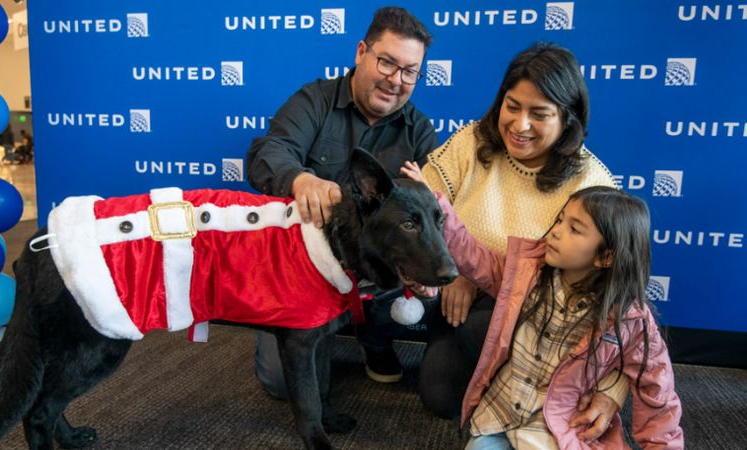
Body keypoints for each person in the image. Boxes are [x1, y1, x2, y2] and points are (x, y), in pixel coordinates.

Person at [417, 42, 625, 433]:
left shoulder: (593, 182)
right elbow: (422, 206)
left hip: (545, 320)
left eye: (539, 114)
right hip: (460, 300)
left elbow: (624, 302)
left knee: (480, 330)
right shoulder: (470, 142)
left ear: (568, 119)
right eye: (512, 106)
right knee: (440, 394)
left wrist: (613, 388)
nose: (520, 125)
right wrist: (454, 270)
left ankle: (550, 395)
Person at [403, 167, 684, 449]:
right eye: (560, 220)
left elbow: (658, 395)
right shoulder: (525, 273)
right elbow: (473, 256)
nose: (556, 232)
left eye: (574, 229)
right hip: (499, 417)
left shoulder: (631, 320)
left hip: (558, 430)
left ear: (606, 257)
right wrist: (434, 205)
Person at [245, 6, 438, 399]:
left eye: (410, 71)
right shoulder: (313, 100)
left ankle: (377, 339)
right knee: (281, 384)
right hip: (302, 270)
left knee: (428, 262)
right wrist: (300, 178)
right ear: (361, 52)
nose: (395, 80)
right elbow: (270, 151)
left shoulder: (419, 130)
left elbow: (438, 208)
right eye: (387, 62)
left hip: (374, 273)